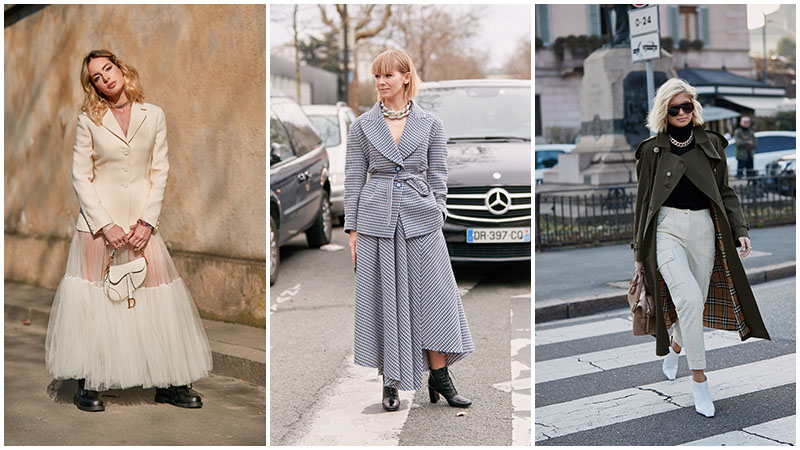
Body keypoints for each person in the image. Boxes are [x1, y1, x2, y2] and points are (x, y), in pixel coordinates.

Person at [45, 50, 213, 412]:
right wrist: (105, 224)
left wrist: (148, 222)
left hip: (142, 225)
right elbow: (80, 176)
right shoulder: (88, 120)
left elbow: (160, 172)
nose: (105, 77)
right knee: (93, 301)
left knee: (158, 298)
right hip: (97, 226)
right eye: (96, 77)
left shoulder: (154, 115)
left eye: (108, 68)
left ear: (121, 69)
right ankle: (88, 380)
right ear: (93, 86)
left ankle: (169, 382)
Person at [343, 49, 474, 412]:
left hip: (421, 219)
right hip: (377, 221)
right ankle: (391, 380)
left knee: (433, 300)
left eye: (388, 76)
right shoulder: (362, 126)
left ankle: (440, 377)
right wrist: (352, 230)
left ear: (405, 78)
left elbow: (438, 176)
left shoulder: (431, 124)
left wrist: (437, 211)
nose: (381, 83)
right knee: (387, 302)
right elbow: (354, 178)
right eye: (377, 77)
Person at [632, 78, 770, 418]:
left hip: (705, 230)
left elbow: (725, 192)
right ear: (664, 111)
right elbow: (643, 203)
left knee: (697, 300)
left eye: (687, 106)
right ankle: (699, 380)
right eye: (674, 107)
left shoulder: (712, 144)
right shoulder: (651, 150)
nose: (681, 112)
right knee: (689, 299)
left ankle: (677, 345)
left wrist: (740, 229)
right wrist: (638, 254)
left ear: (694, 108)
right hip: (666, 230)